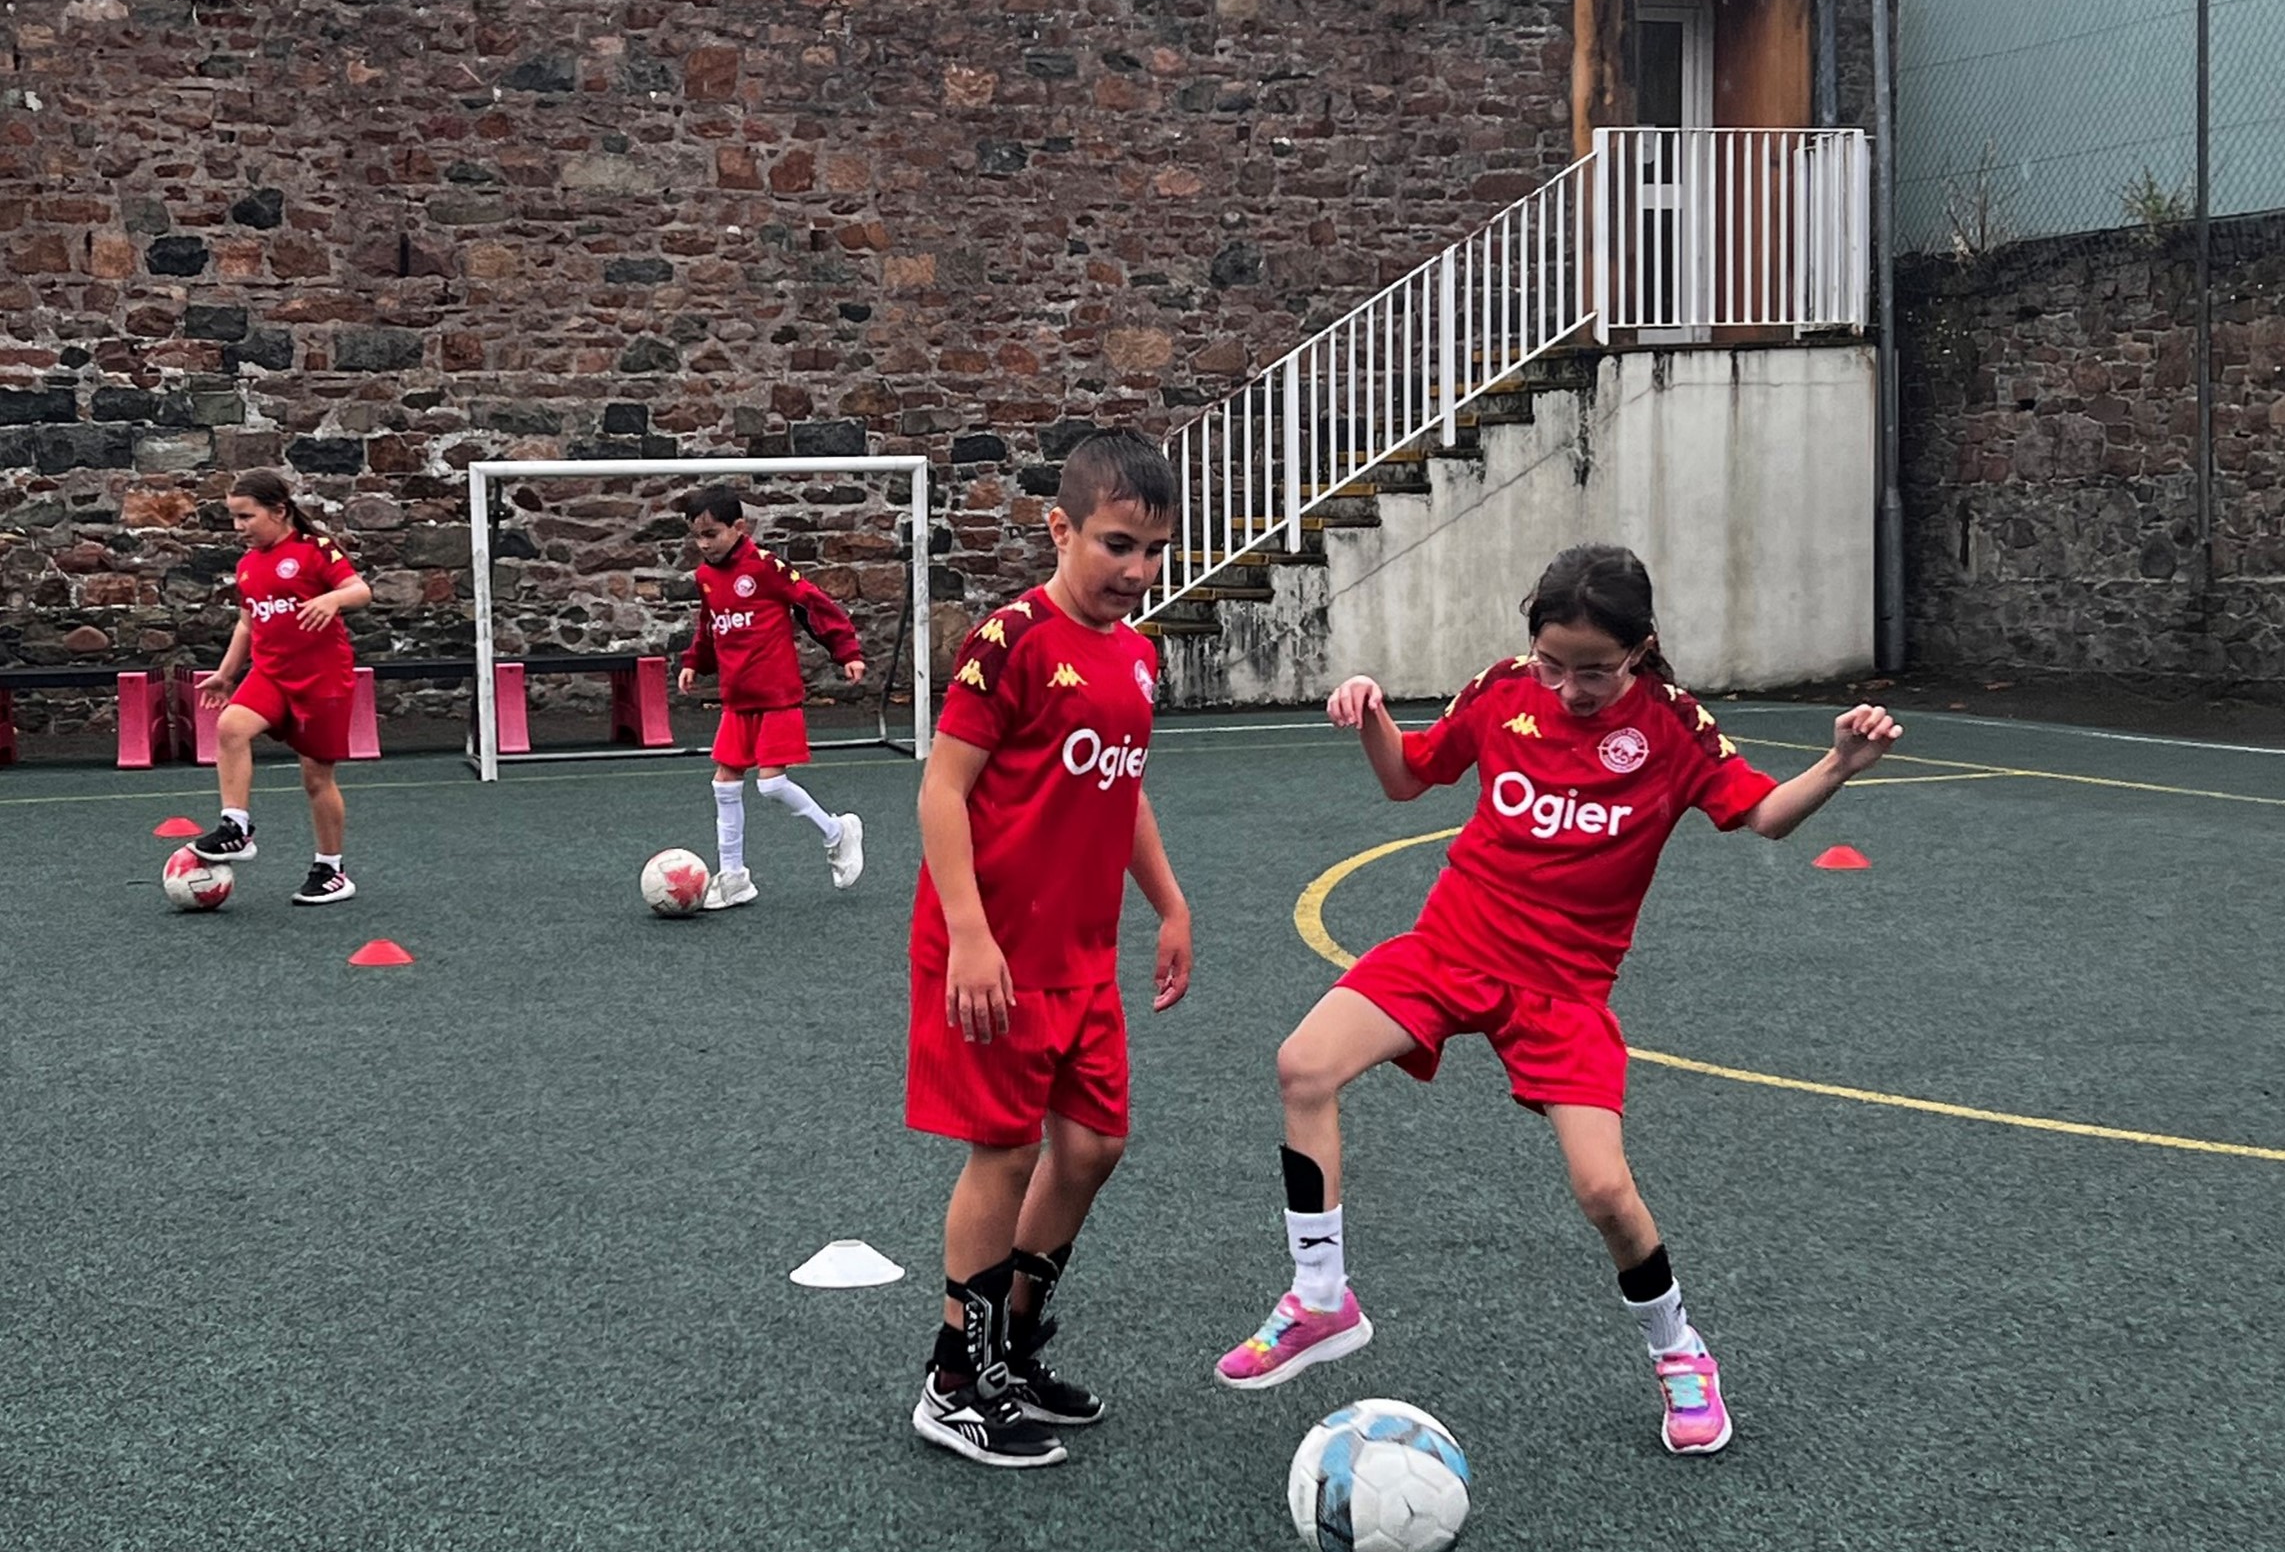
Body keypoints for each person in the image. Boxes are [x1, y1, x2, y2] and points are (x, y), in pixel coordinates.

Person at [1212, 543, 1903, 1457]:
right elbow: (1405, 776)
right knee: (1302, 1063)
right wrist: (1372, 711)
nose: (1569, 687)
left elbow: (1763, 814)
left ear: (1640, 649)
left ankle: (1680, 1350)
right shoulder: (1500, 691)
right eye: (1552, 664)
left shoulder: (1674, 729)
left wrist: (1839, 764)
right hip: (1450, 946)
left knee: (1605, 1189)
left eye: (1594, 670)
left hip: (1564, 990)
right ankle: (1320, 1297)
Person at [907, 429, 1193, 1469]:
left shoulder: (1137, 654)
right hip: (992, 952)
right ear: (1060, 528)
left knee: (1093, 1147)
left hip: (1082, 953)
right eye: (1117, 545)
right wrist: (970, 937)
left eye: (1154, 549)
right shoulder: (1010, 640)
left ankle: (1016, 1344)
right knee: (1008, 1149)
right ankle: (953, 1377)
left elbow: (1121, 789)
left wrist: (1167, 902)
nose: (1138, 571)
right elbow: (940, 789)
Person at [673, 485, 867, 908]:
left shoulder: (765, 568)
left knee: (772, 784)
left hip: (776, 694)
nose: (704, 544)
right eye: (697, 537)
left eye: (712, 534)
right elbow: (709, 626)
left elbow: (814, 604)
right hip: (736, 698)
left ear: (738, 528)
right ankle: (734, 878)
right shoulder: (705, 578)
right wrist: (694, 661)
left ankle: (838, 832)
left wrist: (846, 651)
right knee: (724, 784)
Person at [188, 468, 373, 905]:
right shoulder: (248, 565)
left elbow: (360, 590)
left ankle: (331, 870)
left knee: (316, 777)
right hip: (270, 673)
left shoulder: (314, 550)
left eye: (246, 517)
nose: (238, 528)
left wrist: (332, 598)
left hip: (322, 677)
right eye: (233, 518)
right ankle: (236, 827)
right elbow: (247, 623)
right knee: (231, 726)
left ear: (279, 511)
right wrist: (226, 673)